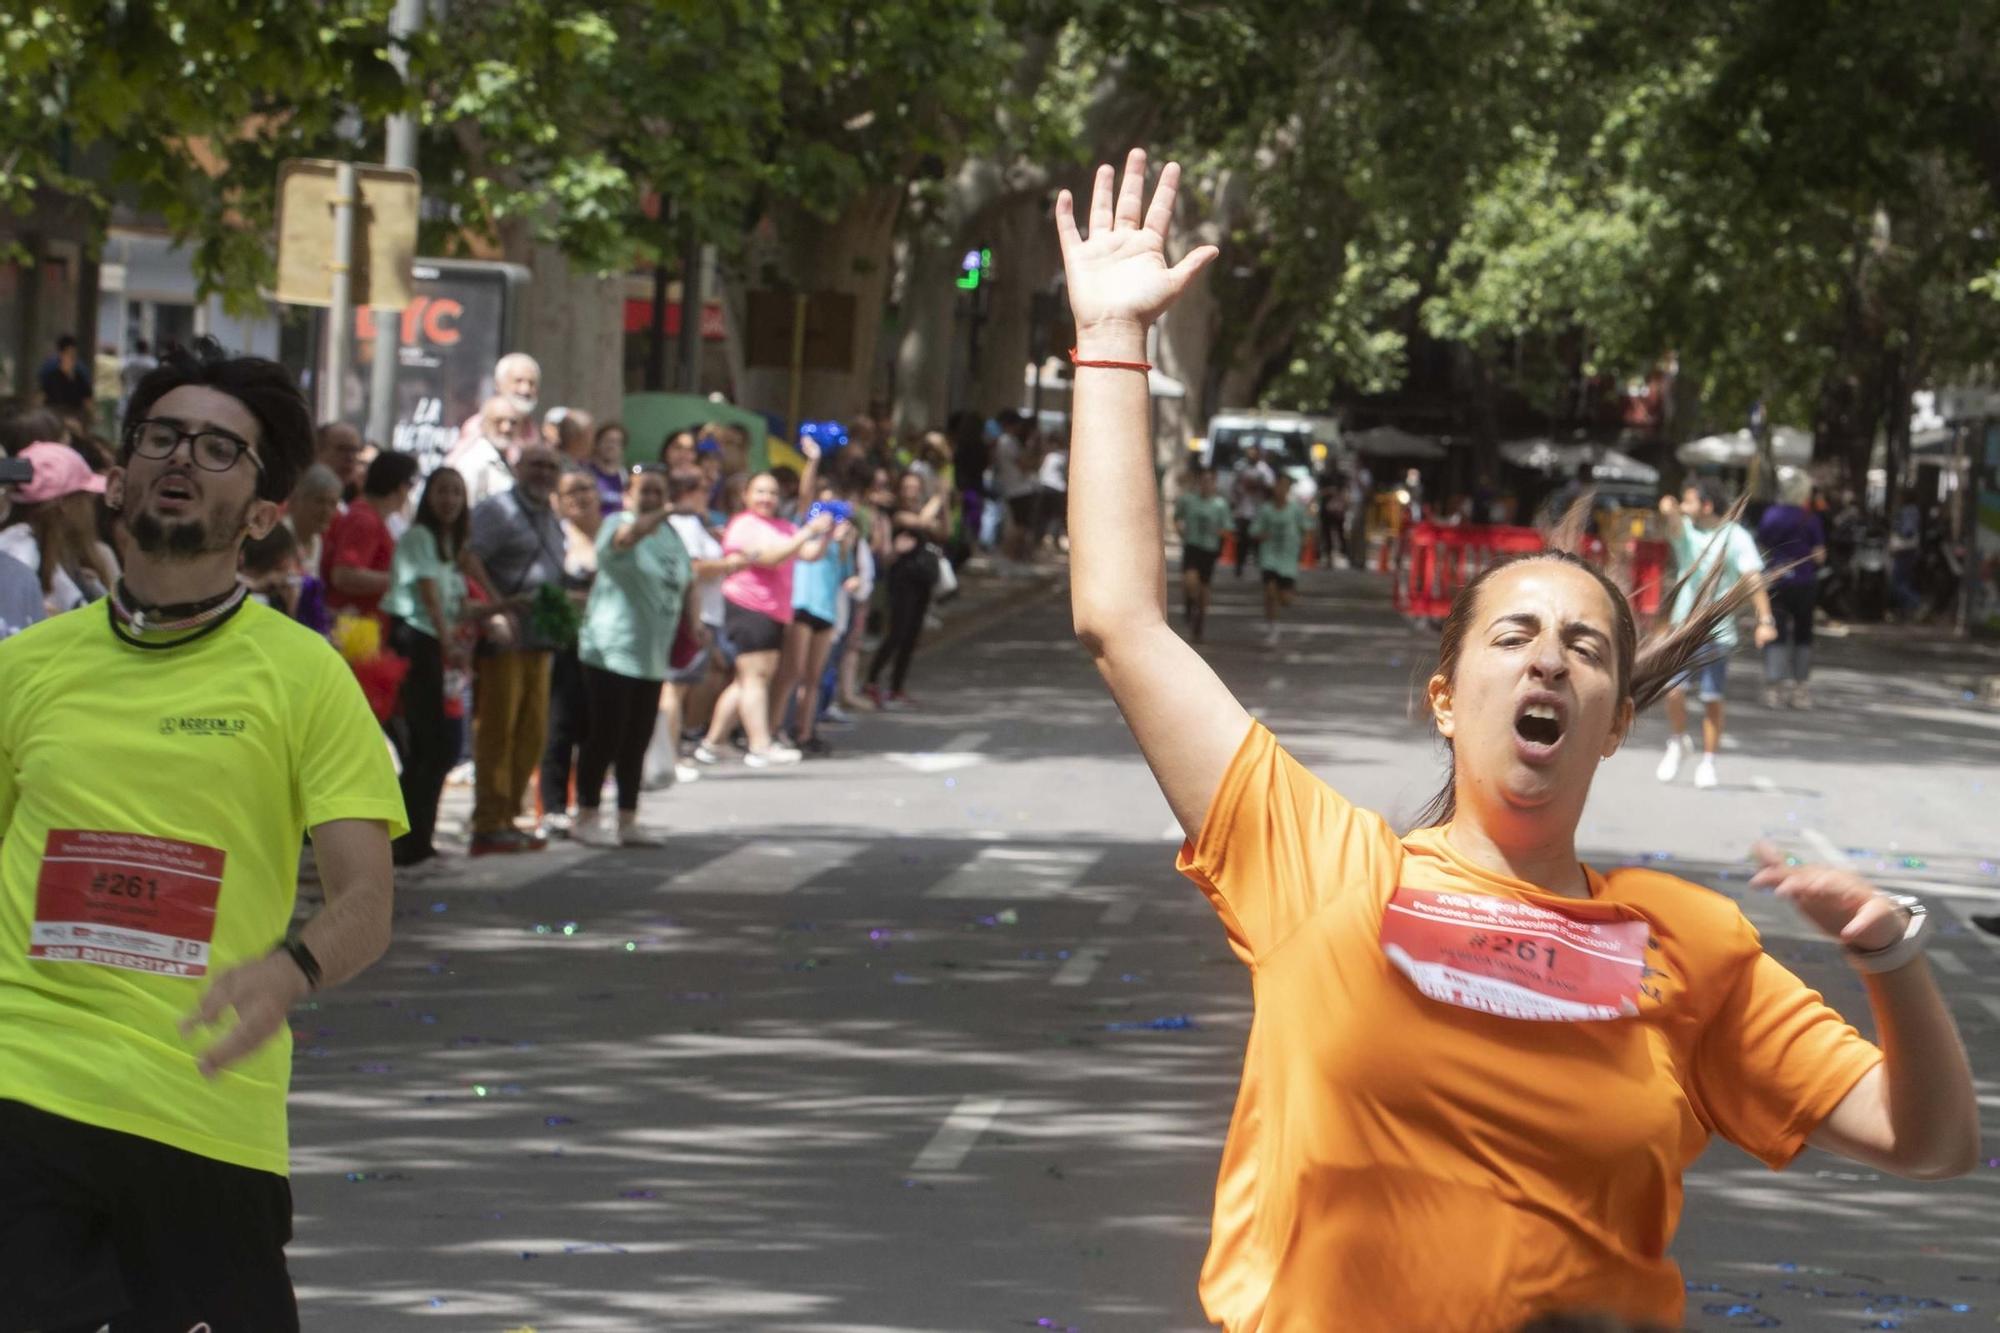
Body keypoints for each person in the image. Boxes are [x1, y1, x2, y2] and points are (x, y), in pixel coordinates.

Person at [1054, 148, 1978, 1333]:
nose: (1546, 659)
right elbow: (1121, 618)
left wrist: (1890, 956)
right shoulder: (1320, 870)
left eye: (1584, 650)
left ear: (1612, 727)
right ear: (1444, 697)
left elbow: (1931, 1139)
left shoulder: (1684, 943)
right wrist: (1112, 340)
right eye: (1513, 638)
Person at [0, 337, 404, 1329]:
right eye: (163, 437)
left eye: (219, 449)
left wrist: (286, 972)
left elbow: (365, 899)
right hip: (23, 1082)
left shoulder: (303, 674)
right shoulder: (30, 666)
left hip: (200, 1109)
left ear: (264, 512)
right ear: (120, 478)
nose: (182, 458)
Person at [570, 465, 694, 845]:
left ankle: (628, 819)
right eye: (646, 492)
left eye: (659, 492)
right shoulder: (616, 524)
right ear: (628, 495)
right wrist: (665, 513)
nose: (652, 499)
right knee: (605, 736)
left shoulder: (670, 535)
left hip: (651, 655)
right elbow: (623, 541)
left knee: (636, 740)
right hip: (613, 649)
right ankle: (587, 815)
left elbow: (688, 577)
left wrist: (695, 622)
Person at [381, 467, 492, 869]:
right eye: (441, 492)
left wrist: (505, 607)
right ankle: (406, 841)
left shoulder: (449, 546)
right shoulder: (420, 538)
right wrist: (447, 642)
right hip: (415, 640)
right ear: (428, 497)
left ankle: (417, 839)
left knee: (439, 747)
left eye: (456, 494)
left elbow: (456, 603)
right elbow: (428, 596)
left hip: (435, 644)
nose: (448, 500)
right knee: (428, 746)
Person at [693, 474, 834, 767]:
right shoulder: (743, 524)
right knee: (756, 676)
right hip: (747, 605)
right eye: (760, 491)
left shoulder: (782, 526)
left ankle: (711, 743)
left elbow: (808, 554)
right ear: (746, 495)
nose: (767, 498)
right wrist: (806, 532)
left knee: (747, 680)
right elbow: (769, 559)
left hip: (774, 610)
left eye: (772, 492)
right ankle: (759, 745)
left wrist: (827, 534)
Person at [467, 445, 568, 854]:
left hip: (540, 638)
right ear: (519, 468)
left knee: (531, 732)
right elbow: (469, 557)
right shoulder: (497, 509)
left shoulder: (549, 513)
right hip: (505, 637)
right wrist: (498, 607)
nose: (543, 473)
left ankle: (509, 817)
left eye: (551, 466)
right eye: (537, 465)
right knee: (498, 729)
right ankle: (489, 823)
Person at [1655, 479, 1777, 789]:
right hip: (1684, 629)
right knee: (1673, 690)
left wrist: (1765, 619)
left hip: (1718, 632)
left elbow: (1752, 578)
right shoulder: (1687, 532)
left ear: (1707, 506)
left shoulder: (1735, 537)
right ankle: (1678, 741)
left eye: (1690, 502)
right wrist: (1670, 509)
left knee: (1712, 698)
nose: (1685, 507)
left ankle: (1709, 761)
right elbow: (1674, 525)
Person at [537, 468, 605, 839]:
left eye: (587, 488)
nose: (580, 497)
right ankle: (553, 808)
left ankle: (588, 806)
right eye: (571, 492)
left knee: (596, 728)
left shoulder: (612, 533)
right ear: (558, 501)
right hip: (566, 642)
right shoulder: (555, 537)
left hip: (607, 644)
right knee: (560, 725)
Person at [863, 469, 949, 709]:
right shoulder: (897, 514)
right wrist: (939, 496)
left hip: (923, 578)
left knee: (912, 635)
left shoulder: (924, 509)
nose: (912, 492)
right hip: (902, 579)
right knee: (897, 632)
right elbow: (920, 522)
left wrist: (944, 504)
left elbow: (944, 532)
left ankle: (896, 687)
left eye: (916, 487)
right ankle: (871, 680)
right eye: (907, 488)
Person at [0, 441, 106, 616]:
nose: (91, 506)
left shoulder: (46, 553)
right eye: (85, 496)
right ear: (64, 505)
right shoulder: (21, 552)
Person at [1754, 469, 1826, 709]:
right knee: (1804, 634)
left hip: (1776, 580)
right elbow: (1819, 555)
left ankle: (1774, 687)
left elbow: (1761, 544)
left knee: (1777, 632)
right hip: (1804, 582)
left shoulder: (1771, 514)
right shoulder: (1811, 519)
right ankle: (1800, 689)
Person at [321, 450, 417, 623]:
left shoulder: (369, 517)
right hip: (350, 631)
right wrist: (400, 580)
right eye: (410, 485)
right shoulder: (364, 520)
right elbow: (343, 575)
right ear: (401, 487)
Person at [1174, 465, 1231, 642]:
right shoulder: (1188, 500)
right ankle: (1190, 603)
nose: (1206, 485)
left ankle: (1200, 621)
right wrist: (1180, 531)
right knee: (1190, 581)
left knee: (1204, 587)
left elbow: (1227, 527)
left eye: (1210, 481)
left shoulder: (1220, 504)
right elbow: (1177, 517)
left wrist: (1222, 533)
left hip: (1209, 549)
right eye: (1203, 481)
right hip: (1192, 545)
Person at [1251, 471, 1308, 645]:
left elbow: (1306, 529)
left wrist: (1303, 544)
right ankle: (1273, 628)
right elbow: (1254, 531)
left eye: (1285, 486)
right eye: (1279, 485)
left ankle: (1289, 594)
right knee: (1269, 592)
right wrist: (1261, 535)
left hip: (1288, 560)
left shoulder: (1296, 509)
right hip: (1269, 557)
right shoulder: (1266, 509)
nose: (1281, 489)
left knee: (1285, 599)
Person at [451, 396, 525, 509]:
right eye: (498, 421)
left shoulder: (508, 460)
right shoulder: (474, 461)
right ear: (484, 424)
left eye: (513, 422)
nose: (506, 428)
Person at [992, 410, 1040, 564]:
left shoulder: (1004, 441)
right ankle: (1007, 557)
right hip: (1018, 488)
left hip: (1015, 487)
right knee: (1019, 527)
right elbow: (1024, 464)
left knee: (1020, 526)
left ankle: (1011, 558)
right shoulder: (1008, 441)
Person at [1229, 442, 1274, 577]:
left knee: (1258, 543)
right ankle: (1239, 567)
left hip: (1258, 512)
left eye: (1255, 452)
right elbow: (1233, 487)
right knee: (1242, 541)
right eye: (1250, 452)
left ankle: (1263, 569)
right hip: (1243, 511)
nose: (1252, 455)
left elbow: (1271, 489)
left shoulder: (1265, 471)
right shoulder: (1241, 468)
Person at [37, 334, 92, 422]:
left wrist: (90, 416)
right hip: (54, 419)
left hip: (76, 418)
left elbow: (87, 401)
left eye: (73, 354)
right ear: (60, 354)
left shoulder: (81, 375)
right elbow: (42, 397)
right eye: (68, 354)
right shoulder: (50, 374)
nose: (71, 358)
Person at [313, 420, 365, 501]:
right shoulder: (303, 498)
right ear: (319, 451)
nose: (350, 457)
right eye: (342, 449)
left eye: (354, 450)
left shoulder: (360, 500)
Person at [1035, 431, 1070, 551]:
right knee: (1050, 516)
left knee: (1053, 516)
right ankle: (1046, 540)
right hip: (1049, 487)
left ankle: (1051, 540)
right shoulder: (1052, 454)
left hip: (1055, 488)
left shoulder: (1060, 454)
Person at [589, 421, 629, 515]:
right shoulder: (585, 473)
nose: (611, 446)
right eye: (607, 441)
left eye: (617, 442)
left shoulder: (626, 477)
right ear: (597, 444)